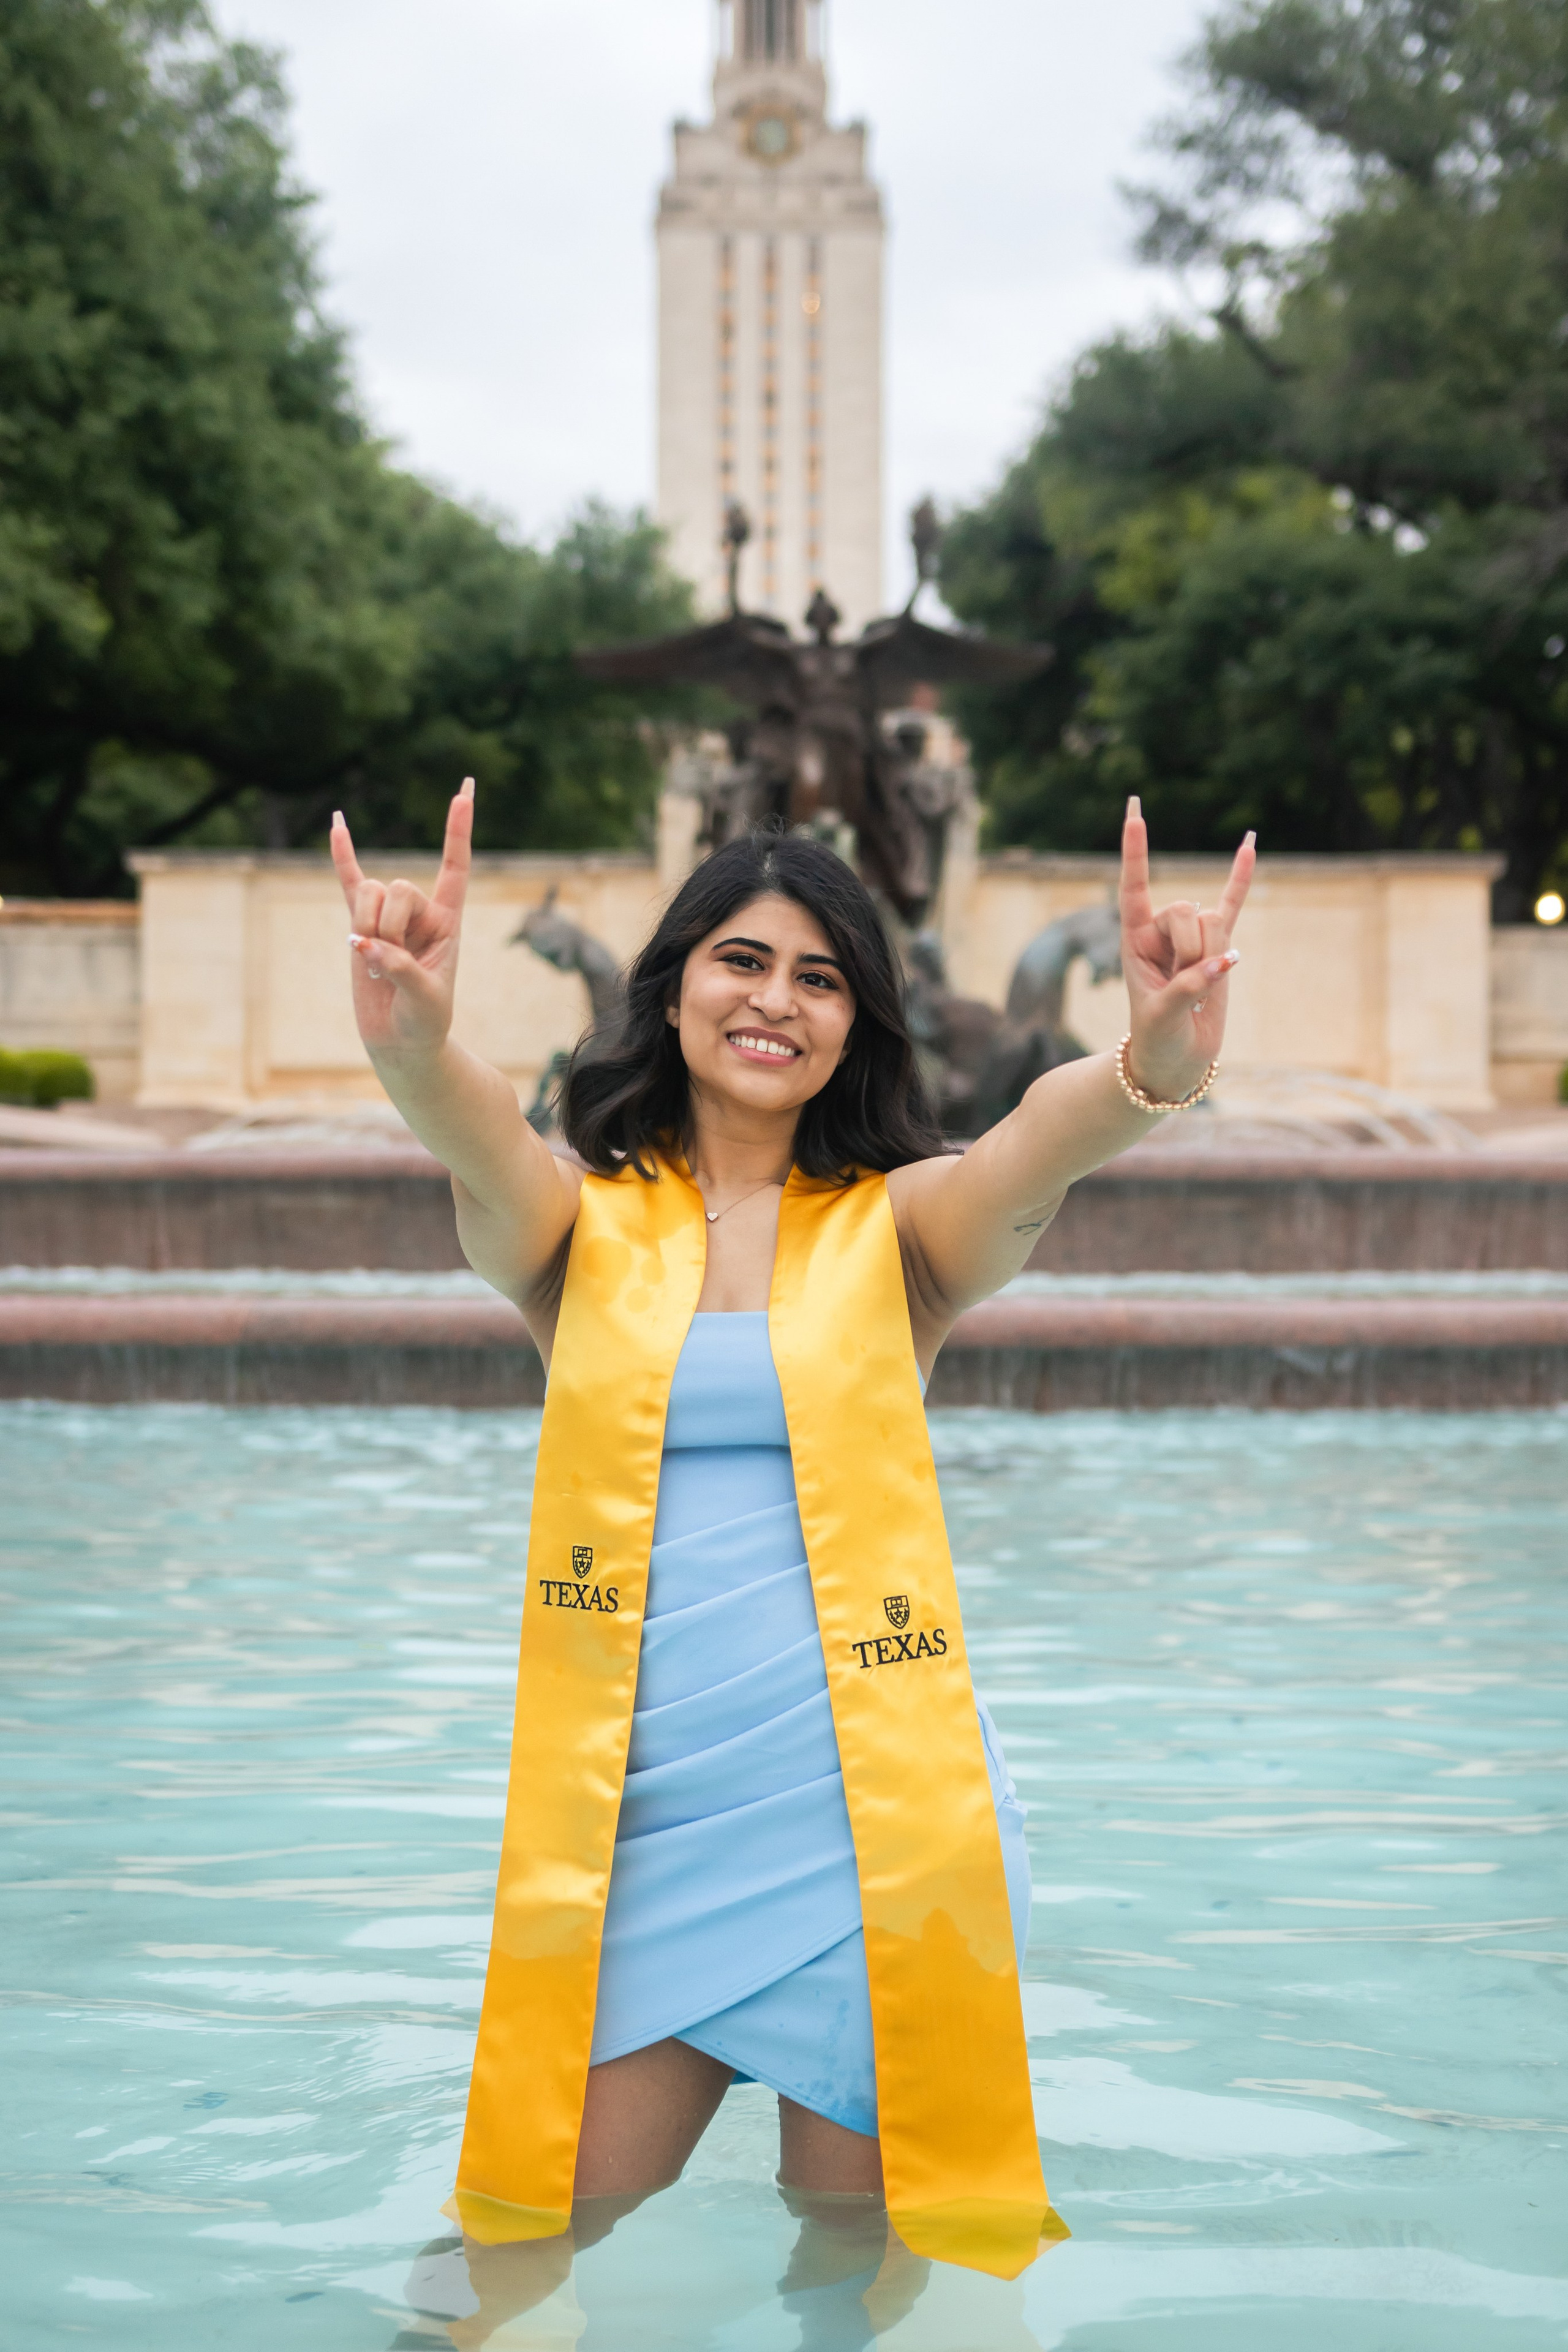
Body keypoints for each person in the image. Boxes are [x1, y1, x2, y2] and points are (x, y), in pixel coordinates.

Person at [331, 785, 1253, 2307]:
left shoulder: (899, 1233)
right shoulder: (576, 1232)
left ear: (856, 1025)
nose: (776, 1001)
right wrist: (411, 1039)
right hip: (644, 1829)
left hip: (872, 1826)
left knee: (850, 2274)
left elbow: (1033, 1147)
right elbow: (481, 1138)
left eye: (820, 977)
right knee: (506, 2248)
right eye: (742, 961)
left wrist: (1152, 1064)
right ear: (676, 985)